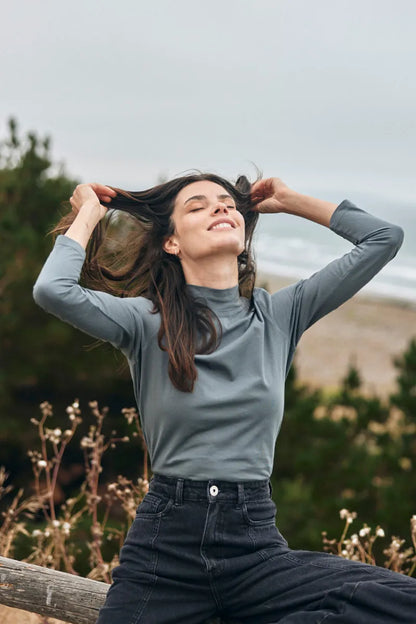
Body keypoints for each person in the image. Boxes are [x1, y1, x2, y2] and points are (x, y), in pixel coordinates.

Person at [33, 173, 416, 623]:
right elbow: (52, 289)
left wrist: (293, 201)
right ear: (172, 243)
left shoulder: (280, 314)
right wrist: (88, 216)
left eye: (227, 203)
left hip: (254, 547)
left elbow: (383, 238)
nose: (220, 208)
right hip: (166, 551)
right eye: (197, 206)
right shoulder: (145, 322)